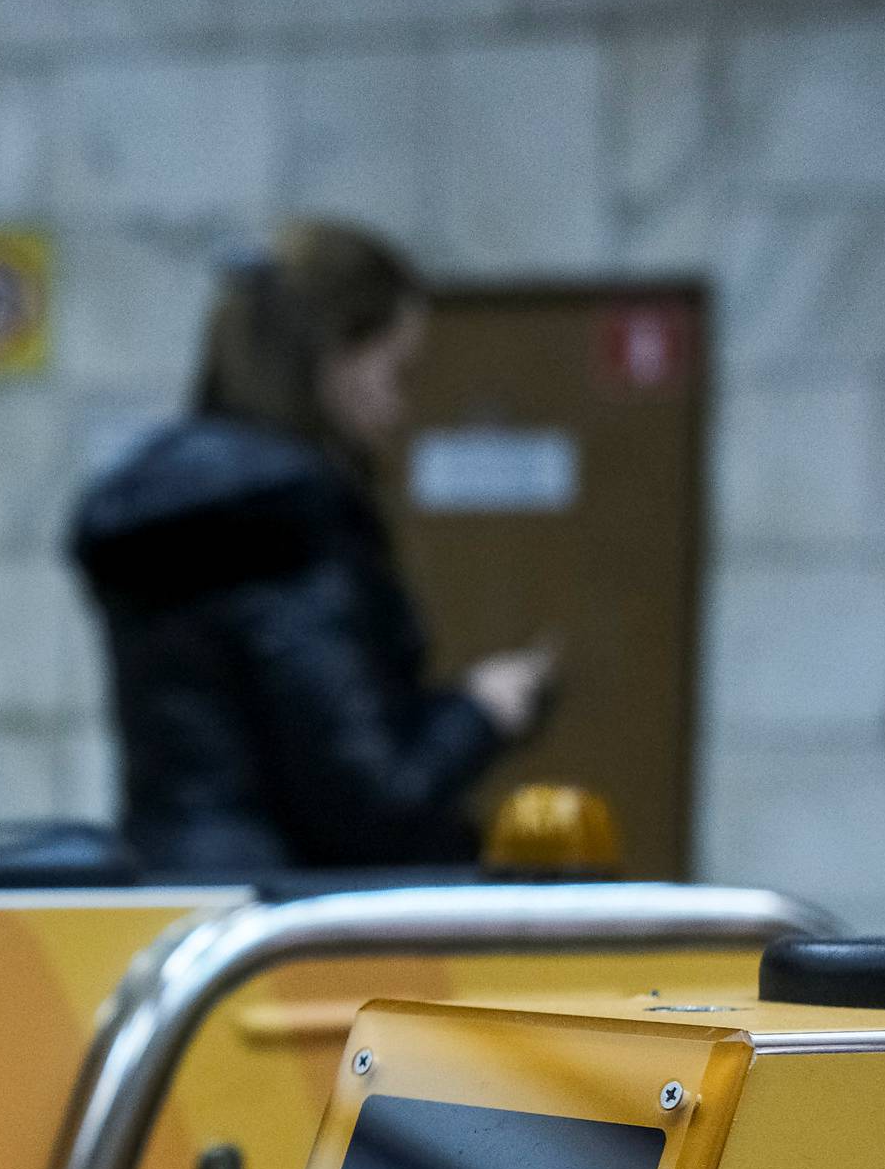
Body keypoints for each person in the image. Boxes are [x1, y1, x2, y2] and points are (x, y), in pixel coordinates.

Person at [68, 220, 556, 874]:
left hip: (174, 889)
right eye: (397, 372)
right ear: (332, 356)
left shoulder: (170, 508)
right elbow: (370, 800)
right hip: (292, 920)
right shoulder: (289, 521)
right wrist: (481, 710)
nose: (399, 408)